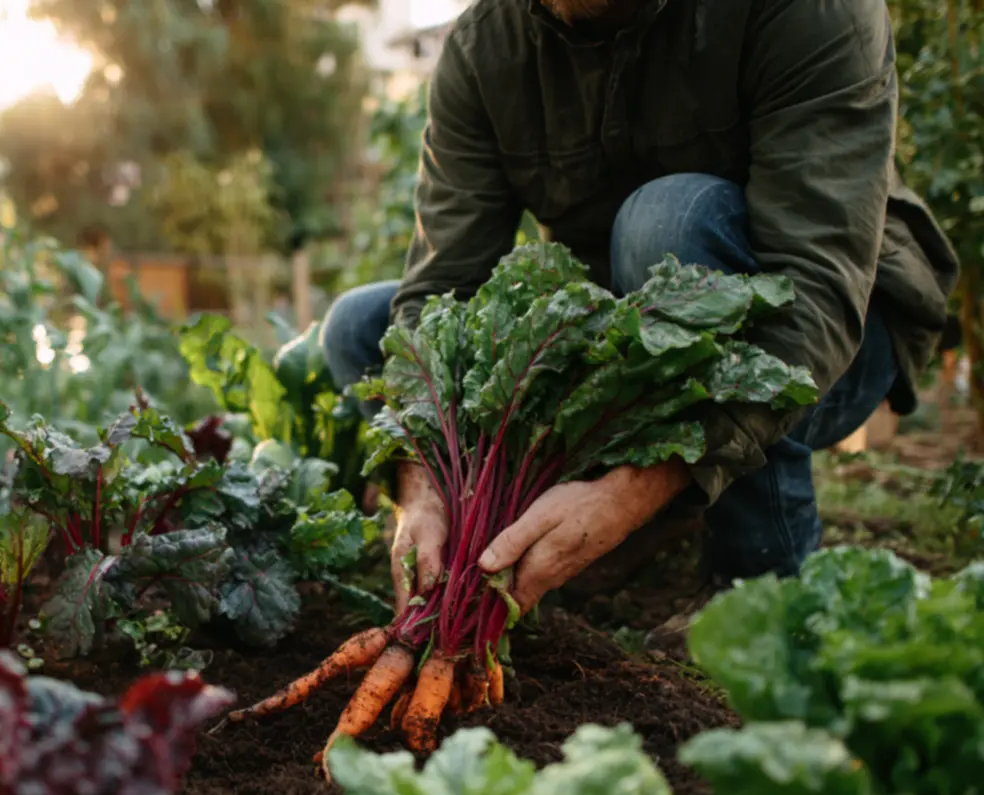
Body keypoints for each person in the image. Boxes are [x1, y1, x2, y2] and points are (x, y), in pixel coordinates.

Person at [317, 0, 960, 645]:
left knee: (665, 225)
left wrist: (631, 491)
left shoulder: (811, 10)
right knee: (358, 328)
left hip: (839, 339)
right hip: (627, 356)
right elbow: (438, 288)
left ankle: (755, 576)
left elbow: (818, 293)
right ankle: (665, 509)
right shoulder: (487, 45)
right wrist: (422, 481)